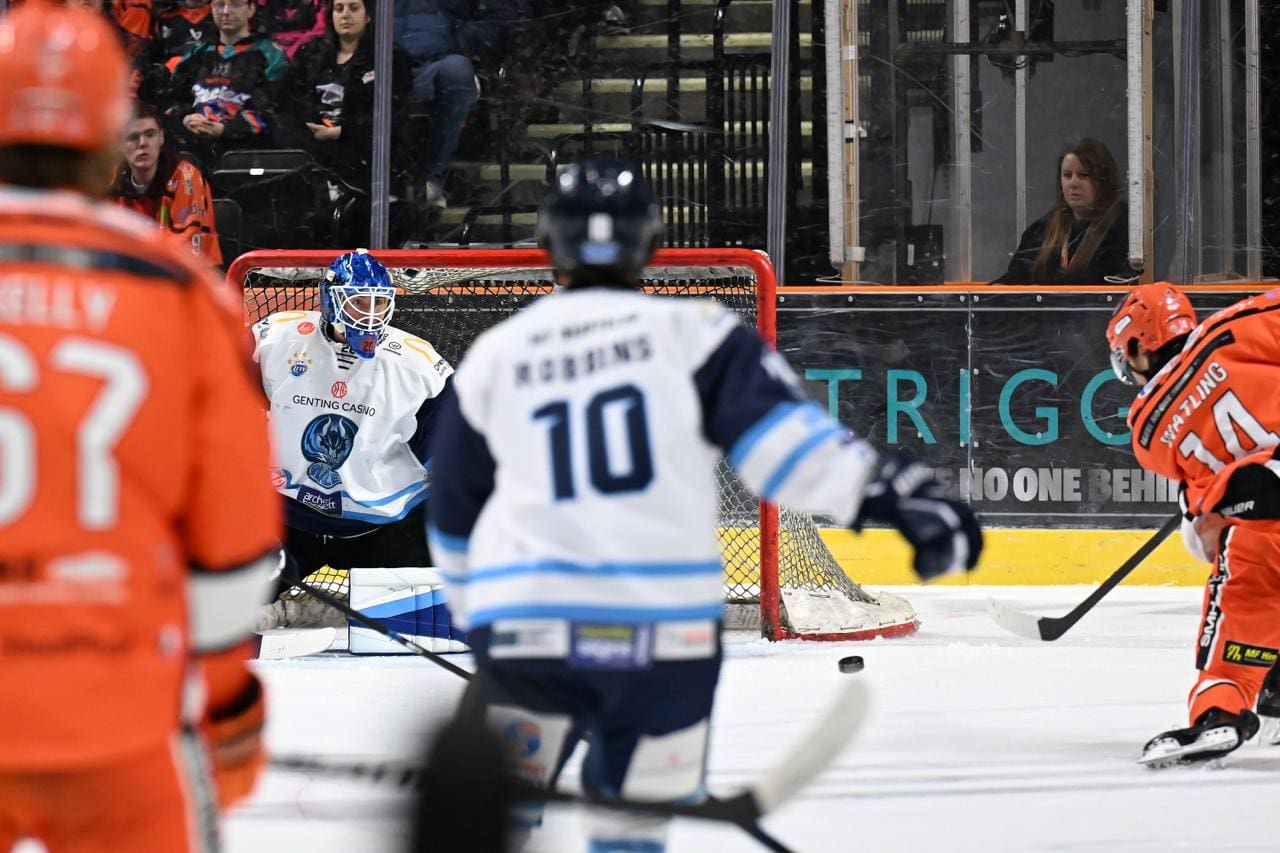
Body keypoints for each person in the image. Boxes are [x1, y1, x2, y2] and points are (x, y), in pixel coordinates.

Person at [425, 157, 983, 851]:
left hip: (530, 631)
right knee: (631, 833)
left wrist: (483, 622)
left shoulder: (497, 356)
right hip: (664, 642)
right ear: (650, 243)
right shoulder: (698, 334)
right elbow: (792, 453)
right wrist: (893, 496)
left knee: (490, 829)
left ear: (549, 244)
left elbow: (451, 519)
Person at [0, 0, 282, 848]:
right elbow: (233, 536)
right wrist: (227, 707)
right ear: (103, 137)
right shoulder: (179, 290)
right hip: (119, 713)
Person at [1106, 282, 1280, 767]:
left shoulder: (1146, 428)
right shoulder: (1235, 329)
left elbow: (1202, 533)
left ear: (1139, 345)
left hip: (1258, 531)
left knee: (1230, 661)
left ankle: (1220, 715)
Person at [252, 249, 455, 629]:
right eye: (360, 302)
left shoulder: (414, 364)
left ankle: (304, 611)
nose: (371, 315)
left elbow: (448, 443)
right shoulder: (278, 339)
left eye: (380, 304)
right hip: (290, 516)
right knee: (224, 604)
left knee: (430, 609)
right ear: (332, 300)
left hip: (381, 524)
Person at [278, 0, 413, 191]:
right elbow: (289, 103)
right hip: (310, 149)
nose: (345, 15)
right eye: (339, 8)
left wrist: (343, 131)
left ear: (369, 16)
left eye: (354, 8)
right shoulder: (309, 54)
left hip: (363, 156)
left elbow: (391, 117)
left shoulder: (389, 57)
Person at [994, 138, 1134, 285]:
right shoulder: (1043, 229)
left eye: (1083, 175)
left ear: (1102, 180)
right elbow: (1015, 277)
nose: (1073, 183)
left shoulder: (1123, 227)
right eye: (1067, 175)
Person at [163, 0, 289, 164]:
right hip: (195, 149)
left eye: (235, 4)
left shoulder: (271, 56)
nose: (226, 11)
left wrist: (226, 129)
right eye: (220, 4)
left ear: (251, 9)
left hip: (246, 155)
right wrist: (186, 118)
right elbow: (171, 100)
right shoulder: (198, 54)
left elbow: (274, 113)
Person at [113, 102, 223, 266]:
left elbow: (187, 244)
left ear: (161, 138)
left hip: (190, 276)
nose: (142, 143)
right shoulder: (111, 183)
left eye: (150, 134)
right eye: (132, 137)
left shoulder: (187, 177)